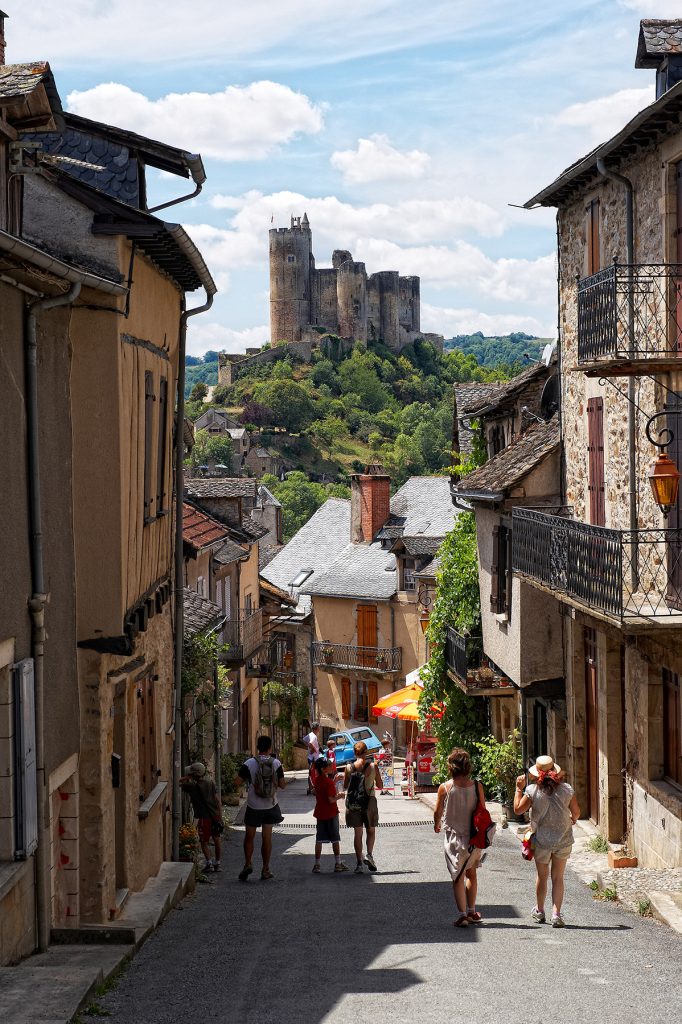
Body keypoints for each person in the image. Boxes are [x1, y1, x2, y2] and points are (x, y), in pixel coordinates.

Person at [513, 754, 580, 928]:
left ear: (537, 774)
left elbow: (518, 810)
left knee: (542, 877)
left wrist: (518, 788)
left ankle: (540, 911)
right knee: (558, 877)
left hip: (542, 841)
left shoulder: (532, 791)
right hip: (563, 839)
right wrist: (572, 819)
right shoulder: (567, 789)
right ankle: (556, 914)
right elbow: (577, 813)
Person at [433, 747, 484, 927]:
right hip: (474, 838)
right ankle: (472, 911)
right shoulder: (477, 786)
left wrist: (436, 824)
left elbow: (438, 811)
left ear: (451, 767)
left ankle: (462, 915)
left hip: (454, 837)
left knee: (457, 876)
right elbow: (483, 812)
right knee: (471, 873)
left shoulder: (445, 788)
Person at [237, 735, 286, 881]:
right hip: (270, 805)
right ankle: (265, 869)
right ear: (270, 748)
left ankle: (248, 864)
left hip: (253, 805)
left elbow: (237, 782)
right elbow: (283, 785)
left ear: (257, 747)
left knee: (249, 837)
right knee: (267, 838)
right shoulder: (276, 763)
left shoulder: (249, 763)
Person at [344, 740, 383, 873]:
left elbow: (345, 786)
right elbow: (380, 785)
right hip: (370, 801)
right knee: (371, 830)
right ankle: (369, 855)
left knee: (358, 833)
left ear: (354, 753)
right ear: (366, 752)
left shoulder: (349, 768)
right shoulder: (373, 766)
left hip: (354, 803)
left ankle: (359, 864)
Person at [179, 762, 223, 872]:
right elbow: (217, 800)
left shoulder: (192, 786)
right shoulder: (210, 782)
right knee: (217, 839)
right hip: (215, 815)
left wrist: (187, 777)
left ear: (194, 774)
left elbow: (177, 783)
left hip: (204, 817)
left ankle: (209, 864)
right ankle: (217, 863)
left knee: (204, 842)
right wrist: (220, 816)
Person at [312, 757, 348, 873]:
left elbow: (324, 788)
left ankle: (317, 864)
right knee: (335, 838)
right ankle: (338, 863)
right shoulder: (328, 782)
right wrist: (340, 795)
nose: (331, 766)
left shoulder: (318, 780)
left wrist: (334, 781)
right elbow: (331, 799)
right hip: (331, 813)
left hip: (320, 812)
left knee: (319, 839)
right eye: (328, 765)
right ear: (323, 769)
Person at [304, 722, 321, 794]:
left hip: (311, 757)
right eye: (319, 728)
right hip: (314, 758)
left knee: (311, 773)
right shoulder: (314, 736)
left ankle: (311, 787)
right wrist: (313, 749)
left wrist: (309, 747)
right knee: (314, 773)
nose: (319, 729)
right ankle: (313, 788)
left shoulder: (310, 734)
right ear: (316, 728)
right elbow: (310, 743)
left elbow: (304, 740)